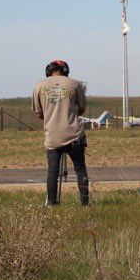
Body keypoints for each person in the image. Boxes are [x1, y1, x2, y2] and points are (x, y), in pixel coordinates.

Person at [32, 59, 90, 206]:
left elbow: (38, 112)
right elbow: (82, 108)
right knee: (80, 169)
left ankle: (52, 203)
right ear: (65, 70)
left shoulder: (39, 86)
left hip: (53, 137)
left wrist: (50, 117)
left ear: (49, 71)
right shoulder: (74, 84)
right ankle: (84, 202)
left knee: (52, 171)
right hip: (74, 135)